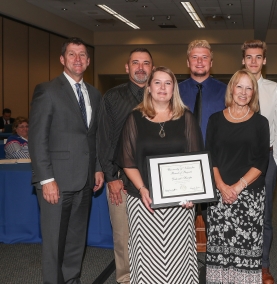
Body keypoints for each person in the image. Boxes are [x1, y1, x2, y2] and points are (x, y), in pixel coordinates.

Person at [117, 66, 203, 283]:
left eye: (168, 83)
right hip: (144, 202)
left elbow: (195, 159)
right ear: (148, 87)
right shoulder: (134, 118)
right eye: (157, 82)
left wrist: (192, 193)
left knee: (179, 258)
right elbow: (127, 160)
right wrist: (142, 188)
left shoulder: (187, 118)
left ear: (174, 88)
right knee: (146, 258)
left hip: (179, 204)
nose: (162, 87)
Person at [29, 37, 104, 284]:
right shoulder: (47, 90)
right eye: (72, 54)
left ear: (89, 61)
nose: (78, 59)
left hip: (84, 181)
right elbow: (37, 138)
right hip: (56, 182)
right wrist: (46, 179)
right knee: (54, 244)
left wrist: (98, 168)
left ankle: (72, 281)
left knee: (75, 240)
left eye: (82, 55)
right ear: (62, 59)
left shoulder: (93, 94)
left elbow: (92, 137)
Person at [205, 69, 269, 283]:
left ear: (254, 93)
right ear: (231, 88)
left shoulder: (261, 123)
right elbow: (210, 156)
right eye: (239, 86)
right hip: (219, 194)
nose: (243, 92)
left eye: (249, 88)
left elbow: (262, 161)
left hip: (249, 197)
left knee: (245, 249)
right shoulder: (214, 120)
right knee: (220, 247)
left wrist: (237, 187)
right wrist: (223, 187)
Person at [97, 47, 154, 284]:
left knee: (153, 234)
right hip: (121, 178)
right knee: (123, 235)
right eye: (136, 63)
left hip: (155, 179)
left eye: (146, 63)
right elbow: (104, 138)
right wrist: (111, 177)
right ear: (127, 67)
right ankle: (125, 279)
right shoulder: (112, 97)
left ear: (152, 67)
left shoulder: (162, 94)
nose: (141, 68)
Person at [241, 39, 277, 284]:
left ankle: (263, 265)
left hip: (266, 158)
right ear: (243, 60)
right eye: (249, 57)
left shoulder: (274, 89)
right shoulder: (235, 86)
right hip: (239, 159)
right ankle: (243, 260)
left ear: (264, 60)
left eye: (258, 57)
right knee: (242, 212)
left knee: (264, 215)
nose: (253, 61)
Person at [179, 39, 227, 227]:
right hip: (183, 164)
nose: (200, 61)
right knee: (182, 222)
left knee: (214, 222)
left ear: (211, 63)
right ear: (188, 62)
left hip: (215, 164)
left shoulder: (226, 91)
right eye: (195, 57)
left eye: (204, 57)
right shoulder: (174, 90)